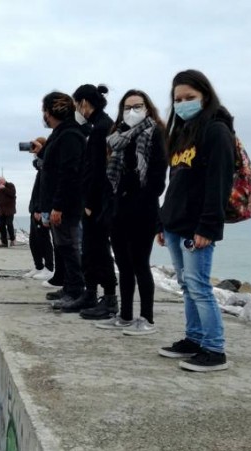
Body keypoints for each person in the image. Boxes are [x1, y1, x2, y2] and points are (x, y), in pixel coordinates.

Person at [157, 69, 235, 372]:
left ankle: (215, 350)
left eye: (190, 98)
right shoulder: (180, 132)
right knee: (186, 285)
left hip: (196, 226)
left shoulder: (216, 131)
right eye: (178, 99)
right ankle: (194, 338)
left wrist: (208, 227)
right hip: (175, 223)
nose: (183, 103)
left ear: (205, 96)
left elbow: (219, 182)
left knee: (199, 285)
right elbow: (175, 182)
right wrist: (163, 222)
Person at [96, 89, 167, 334]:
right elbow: (111, 177)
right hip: (118, 211)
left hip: (143, 211)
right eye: (127, 107)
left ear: (147, 108)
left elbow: (158, 179)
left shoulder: (155, 133)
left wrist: (139, 200)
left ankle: (146, 318)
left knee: (140, 264)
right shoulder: (117, 137)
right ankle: (125, 316)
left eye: (137, 106)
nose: (132, 111)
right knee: (124, 266)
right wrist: (111, 208)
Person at [71, 84, 117, 317]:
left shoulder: (101, 128)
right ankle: (90, 293)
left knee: (98, 249)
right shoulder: (99, 126)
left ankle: (108, 299)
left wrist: (89, 203)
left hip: (97, 203)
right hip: (95, 201)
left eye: (77, 104)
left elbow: (99, 170)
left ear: (85, 103)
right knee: (90, 250)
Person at [38, 91, 87, 311]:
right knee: (63, 246)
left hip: (66, 205)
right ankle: (69, 287)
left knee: (69, 246)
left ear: (50, 112)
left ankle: (76, 290)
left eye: (44, 111)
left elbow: (69, 174)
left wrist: (58, 206)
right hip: (56, 203)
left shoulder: (69, 135)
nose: (44, 116)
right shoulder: (61, 134)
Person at [24, 137, 54, 280]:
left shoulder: (46, 167)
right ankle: (38, 266)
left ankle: (49, 267)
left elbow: (45, 190)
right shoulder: (40, 168)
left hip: (40, 209)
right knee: (33, 240)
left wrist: (40, 209)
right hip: (34, 208)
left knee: (43, 239)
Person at [0, 176, 17, 247]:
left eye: (1, 182)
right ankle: (4, 242)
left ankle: (12, 239)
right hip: (1, 211)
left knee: (9, 224)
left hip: (9, 210)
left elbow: (13, 194)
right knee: (1, 226)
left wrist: (4, 189)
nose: (0, 183)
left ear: (4, 181)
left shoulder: (10, 185)